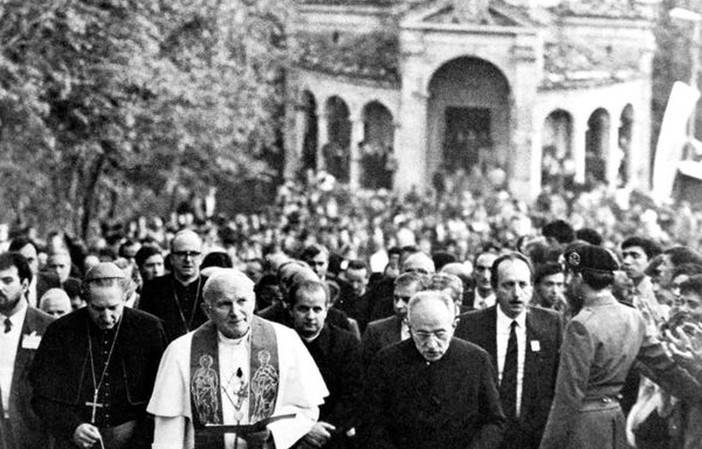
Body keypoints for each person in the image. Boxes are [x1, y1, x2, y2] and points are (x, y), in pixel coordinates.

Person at [539, 244, 702, 449]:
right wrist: (697, 393)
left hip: (585, 426)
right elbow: (664, 367)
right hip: (615, 419)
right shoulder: (632, 315)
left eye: (570, 275)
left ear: (579, 278)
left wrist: (549, 444)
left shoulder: (581, 324)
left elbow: (568, 396)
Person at [148, 269, 328, 449]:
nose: (235, 312)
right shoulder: (181, 351)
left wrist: (275, 433)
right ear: (207, 310)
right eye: (224, 304)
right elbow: (168, 426)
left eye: (242, 301)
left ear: (254, 301)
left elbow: (307, 409)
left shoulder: (286, 340)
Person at [29, 262, 168, 449]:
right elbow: (42, 395)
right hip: (76, 443)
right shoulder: (61, 331)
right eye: (98, 308)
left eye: (113, 307)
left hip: (137, 441)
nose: (106, 316)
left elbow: (162, 392)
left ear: (125, 297)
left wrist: (141, 438)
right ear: (86, 300)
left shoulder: (149, 329)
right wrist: (72, 427)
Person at [361, 290, 505, 449]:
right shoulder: (386, 361)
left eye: (439, 334)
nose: (431, 344)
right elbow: (372, 422)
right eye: (422, 334)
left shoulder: (477, 360)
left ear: (454, 326)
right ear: (409, 327)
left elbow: (494, 421)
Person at [455, 252, 563, 449]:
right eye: (508, 285)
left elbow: (555, 384)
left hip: (532, 437)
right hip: (484, 438)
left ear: (532, 287)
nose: (516, 293)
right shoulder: (470, 326)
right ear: (495, 288)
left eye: (523, 285)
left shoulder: (551, 324)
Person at [289, 280, 362, 449]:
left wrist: (320, 430)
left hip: (332, 434)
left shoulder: (346, 343)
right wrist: (302, 430)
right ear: (291, 310)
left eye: (317, 309)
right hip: (290, 436)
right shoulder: (280, 341)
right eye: (303, 309)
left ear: (326, 311)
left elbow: (353, 395)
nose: (310, 316)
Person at [0, 252, 54, 449]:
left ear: (24, 285)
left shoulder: (48, 327)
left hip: (33, 433)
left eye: (7, 280)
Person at [139, 230, 209, 341]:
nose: (188, 259)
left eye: (194, 254)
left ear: (201, 258)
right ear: (171, 258)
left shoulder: (212, 286)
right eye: (181, 253)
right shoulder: (153, 288)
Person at [361, 272, 427, 371]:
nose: (398, 305)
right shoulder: (376, 331)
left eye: (406, 299)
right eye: (396, 298)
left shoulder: (435, 329)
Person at [8, 237, 60, 308]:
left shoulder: (52, 281)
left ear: (37, 261)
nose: (27, 267)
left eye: (30, 260)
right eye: (21, 262)